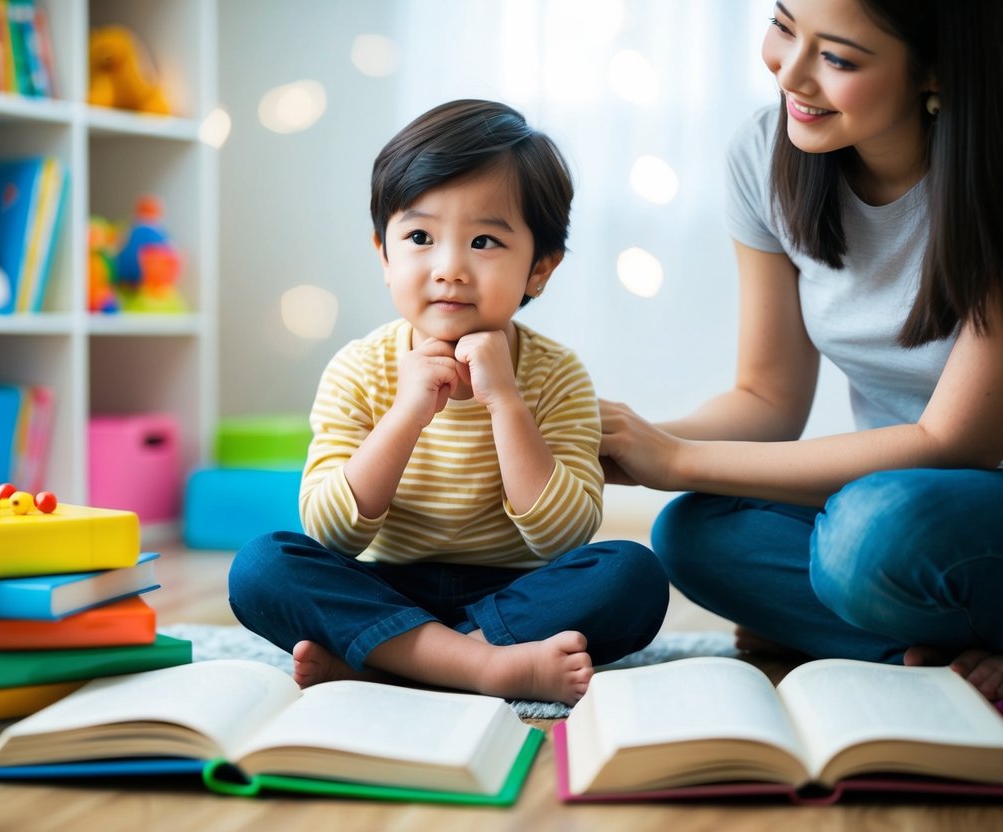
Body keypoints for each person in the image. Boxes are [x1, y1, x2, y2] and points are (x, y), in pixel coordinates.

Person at [599, 0, 1003, 701]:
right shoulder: (763, 154)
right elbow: (766, 401)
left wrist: (673, 457)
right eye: (783, 25)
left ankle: (876, 636)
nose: (788, 71)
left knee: (865, 538)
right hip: (893, 505)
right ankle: (948, 655)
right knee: (694, 531)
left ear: (934, 71)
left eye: (837, 57)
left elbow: (952, 444)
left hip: (932, 505)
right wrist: (616, 440)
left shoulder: (990, 182)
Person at [230, 99, 668, 705]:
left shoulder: (558, 373)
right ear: (384, 255)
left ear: (539, 270)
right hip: (383, 584)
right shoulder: (359, 368)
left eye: (485, 240)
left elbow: (564, 539)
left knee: (632, 575)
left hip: (515, 588)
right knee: (261, 567)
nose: (450, 268)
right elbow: (330, 534)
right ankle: (484, 665)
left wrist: (506, 401)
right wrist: (408, 410)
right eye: (419, 236)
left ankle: (391, 661)